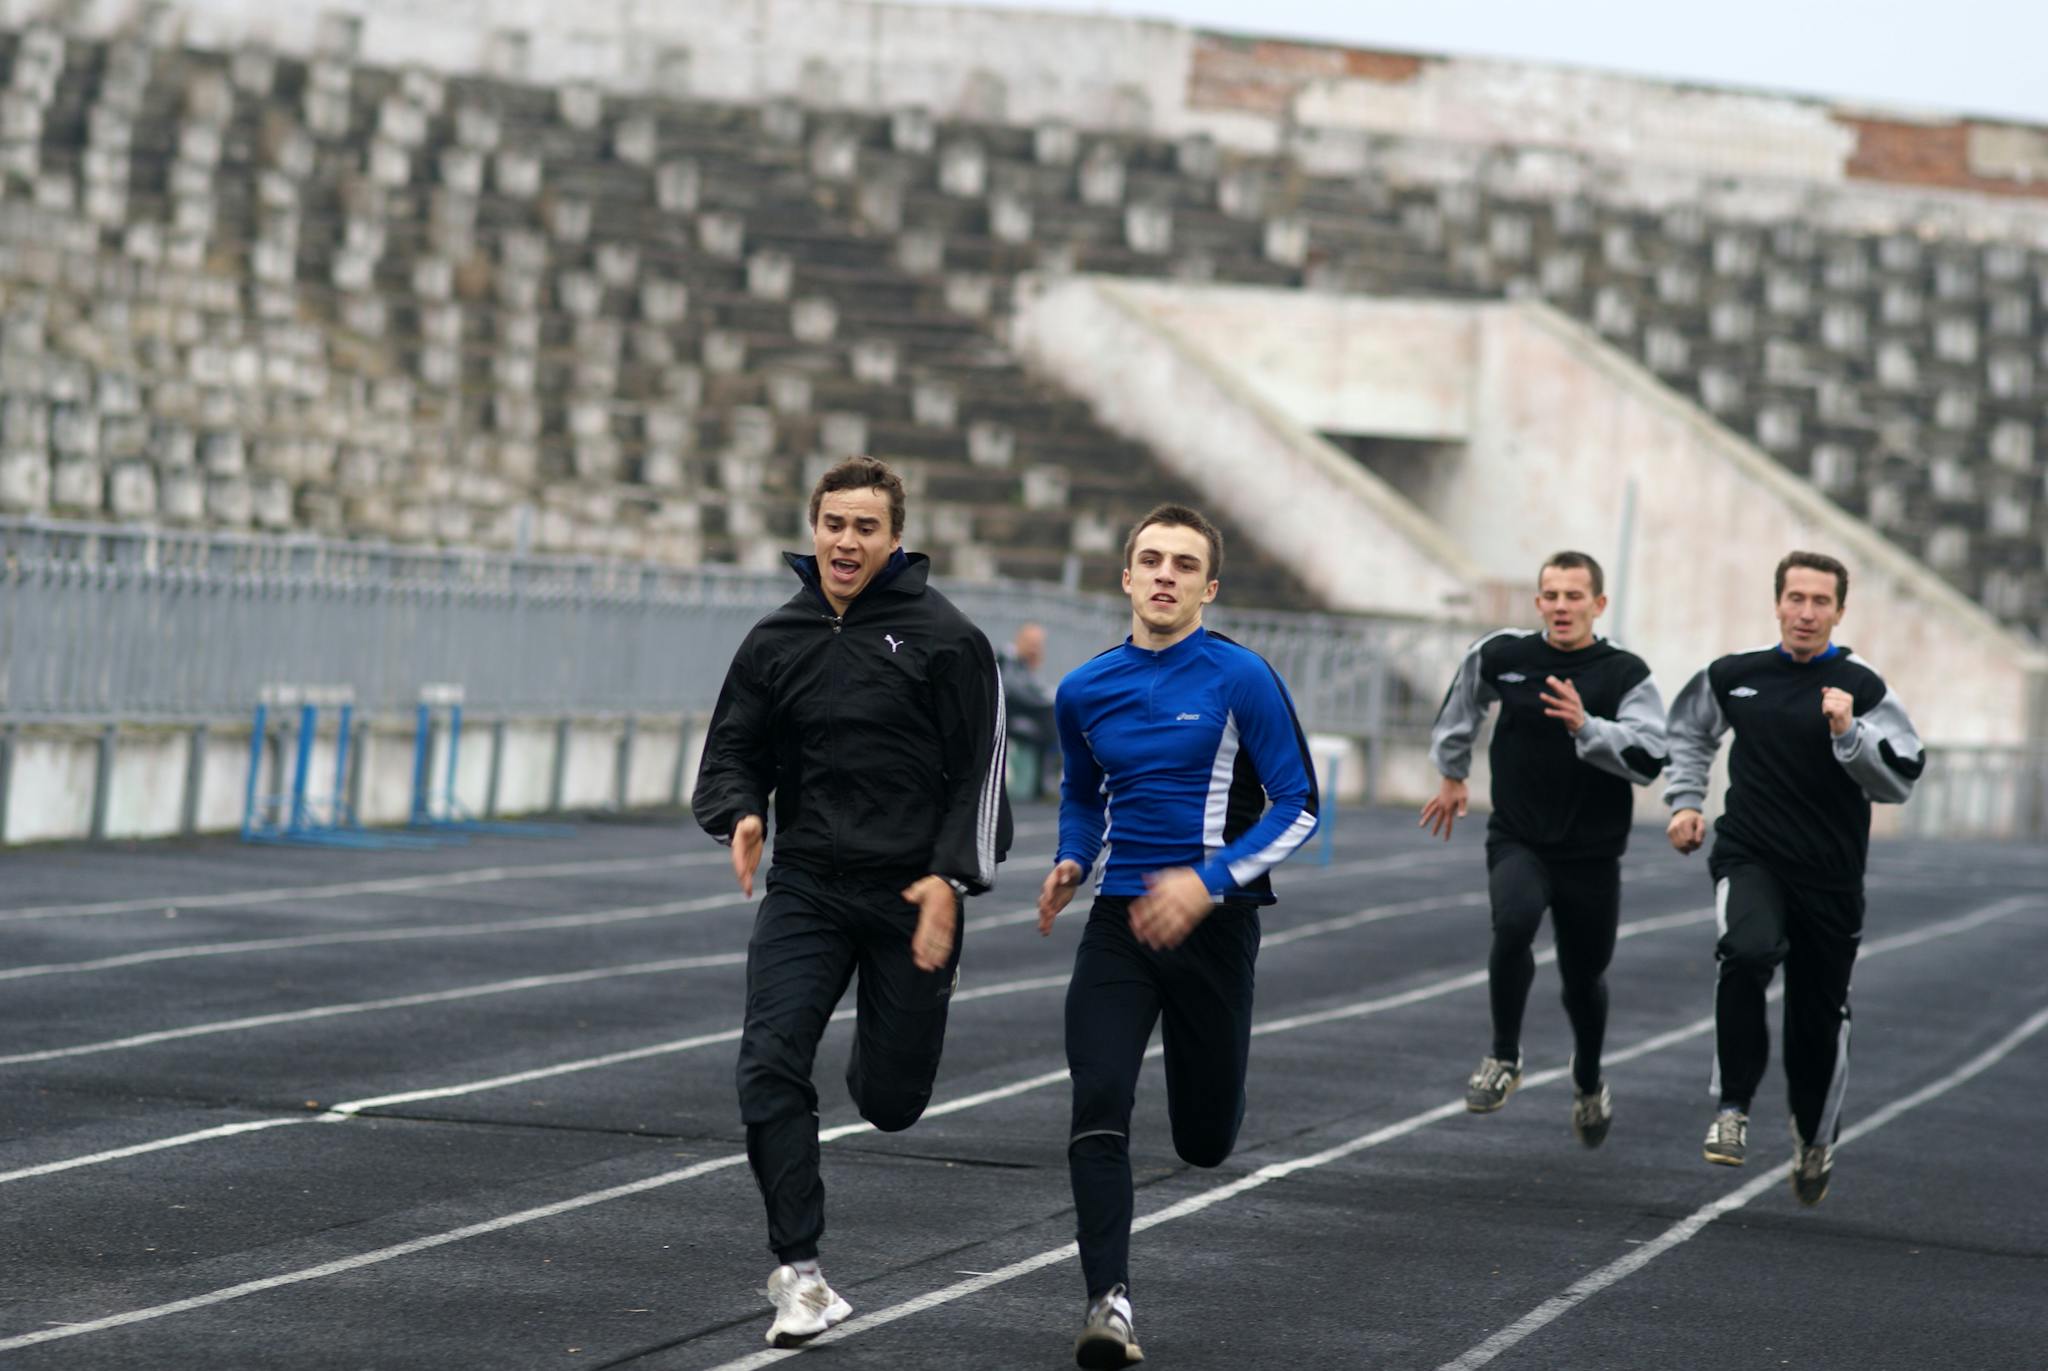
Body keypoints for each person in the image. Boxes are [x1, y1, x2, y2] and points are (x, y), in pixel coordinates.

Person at [693, 455, 1014, 1346]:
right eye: (834, 523)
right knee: (767, 1063)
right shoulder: (775, 638)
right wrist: (741, 813)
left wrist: (952, 880)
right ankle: (800, 1272)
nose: (846, 540)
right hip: (807, 886)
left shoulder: (949, 640)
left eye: (865, 527)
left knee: (892, 1100)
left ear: (895, 538)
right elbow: (731, 751)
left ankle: (885, 1069)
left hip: (913, 895)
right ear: (814, 528)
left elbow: (982, 782)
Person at [1035, 503, 1320, 1368]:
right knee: (1098, 1101)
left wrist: (1207, 880)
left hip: (1214, 927)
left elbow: (1300, 804)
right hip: (1120, 922)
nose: (1164, 575)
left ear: (1208, 586)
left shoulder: (1240, 678)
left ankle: (1207, 1116)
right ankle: (1108, 1301)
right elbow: (1084, 794)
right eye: (1150, 560)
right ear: (1125, 577)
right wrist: (1073, 859)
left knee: (1203, 1140)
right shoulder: (1084, 688)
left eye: (1183, 564)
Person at [1663, 550, 1922, 1206]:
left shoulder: (1862, 687)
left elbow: (1900, 779)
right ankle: (1732, 1107)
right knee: (1745, 951)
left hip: (1830, 877)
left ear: (1839, 610)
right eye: (1795, 598)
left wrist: (1848, 732)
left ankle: (1813, 1138)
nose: (1806, 612)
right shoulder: (1735, 674)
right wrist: (1688, 801)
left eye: (1820, 601)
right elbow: (1691, 730)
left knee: (1817, 1018)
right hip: (1750, 853)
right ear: (1777, 601)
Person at [1422, 551, 1668, 1146]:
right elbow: (1463, 702)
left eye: (1574, 596)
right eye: (1551, 595)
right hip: (1519, 835)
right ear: (1539, 603)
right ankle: (1504, 1057)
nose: (1561, 606)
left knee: (1584, 979)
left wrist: (1587, 726)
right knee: (1513, 922)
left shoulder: (1624, 673)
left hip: (1591, 853)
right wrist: (1453, 772)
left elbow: (1650, 758)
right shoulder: (1504, 654)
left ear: (1598, 605)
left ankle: (1587, 1079)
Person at [1000, 622, 1060, 801]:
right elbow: (1017, 691)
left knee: (1053, 724)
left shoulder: (1024, 665)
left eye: (1038, 644)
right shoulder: (1007, 658)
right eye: (1031, 642)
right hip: (1008, 720)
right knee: (1051, 720)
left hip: (1022, 719)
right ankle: (1047, 780)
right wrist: (1046, 700)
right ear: (1020, 640)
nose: (1035, 648)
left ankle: (1046, 779)